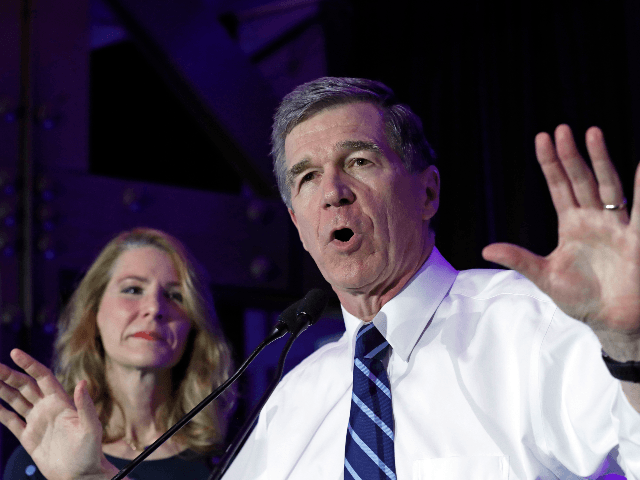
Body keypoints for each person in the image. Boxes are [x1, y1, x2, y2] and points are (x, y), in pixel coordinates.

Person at [1, 77, 640, 479]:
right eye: (307, 177)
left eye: (358, 161)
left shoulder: (533, 327)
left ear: (428, 191)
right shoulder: (297, 398)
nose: (332, 192)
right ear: (298, 221)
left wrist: (632, 346)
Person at [0, 227, 235, 480]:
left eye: (174, 295)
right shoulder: (42, 458)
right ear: (93, 313)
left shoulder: (229, 457)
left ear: (194, 325)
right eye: (133, 290)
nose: (155, 307)